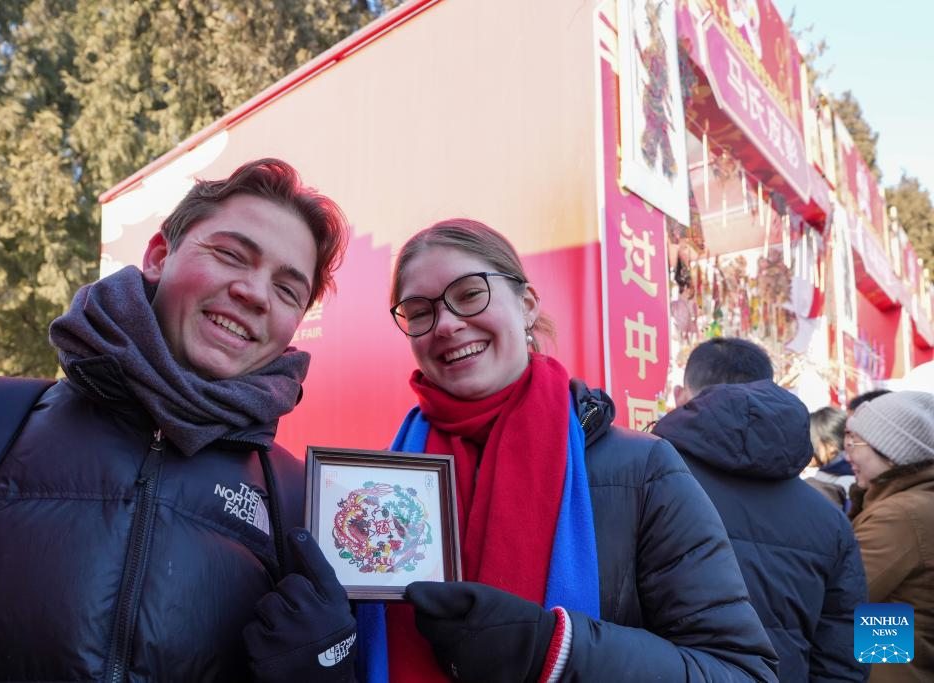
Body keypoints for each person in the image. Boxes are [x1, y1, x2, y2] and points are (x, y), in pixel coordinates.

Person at [0, 159, 358, 682]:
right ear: (158, 256)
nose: (255, 293)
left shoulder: (304, 501)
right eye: (232, 255)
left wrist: (327, 671)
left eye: (288, 290)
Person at [357, 219, 778, 682]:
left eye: (470, 294)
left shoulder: (643, 470)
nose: (448, 324)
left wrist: (555, 651)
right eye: (419, 312)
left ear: (527, 305)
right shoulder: (384, 485)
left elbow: (742, 672)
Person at [652, 337, 868, 682]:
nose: (852, 451)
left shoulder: (644, 484)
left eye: (860, 442)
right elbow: (847, 651)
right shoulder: (831, 517)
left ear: (682, 396)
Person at [844, 390, 934, 683]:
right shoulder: (913, 501)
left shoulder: (899, 515)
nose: (849, 453)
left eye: (857, 442)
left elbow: (844, 595)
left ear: (893, 451)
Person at [806, 406, 855, 509]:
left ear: (830, 445)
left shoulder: (847, 483)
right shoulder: (834, 474)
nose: (804, 448)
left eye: (810, 441)